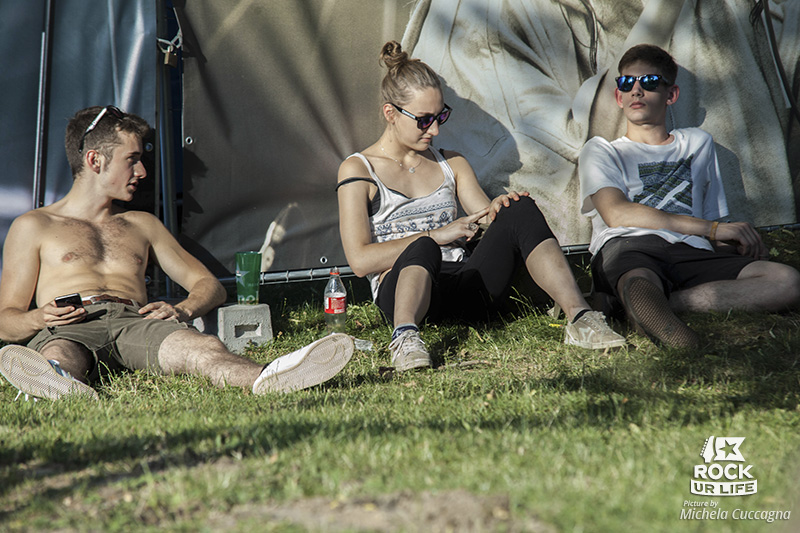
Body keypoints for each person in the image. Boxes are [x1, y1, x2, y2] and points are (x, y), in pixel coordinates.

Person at [0, 105, 353, 401]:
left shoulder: (142, 224)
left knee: (204, 350)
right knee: (59, 354)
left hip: (134, 321)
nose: (142, 172)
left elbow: (209, 285)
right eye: (132, 160)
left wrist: (182, 309)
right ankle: (57, 383)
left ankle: (269, 377)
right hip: (70, 326)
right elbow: (5, 319)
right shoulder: (34, 225)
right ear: (95, 160)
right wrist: (40, 318)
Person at [336, 41, 625, 371]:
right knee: (422, 247)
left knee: (519, 207)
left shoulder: (451, 162)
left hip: (466, 284)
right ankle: (405, 338)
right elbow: (359, 261)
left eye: (441, 116)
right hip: (404, 291)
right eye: (424, 120)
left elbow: (484, 215)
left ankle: (581, 317)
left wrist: (498, 209)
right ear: (391, 113)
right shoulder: (358, 169)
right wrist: (436, 235)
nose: (435, 129)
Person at [578, 44, 800, 349]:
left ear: (671, 94)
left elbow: (709, 221)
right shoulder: (601, 149)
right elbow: (617, 214)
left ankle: (655, 305)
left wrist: (736, 242)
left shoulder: (698, 143)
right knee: (639, 277)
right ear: (619, 96)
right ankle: (648, 305)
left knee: (787, 282)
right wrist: (713, 229)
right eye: (627, 83)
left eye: (649, 82)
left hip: (691, 251)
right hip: (630, 245)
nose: (637, 91)